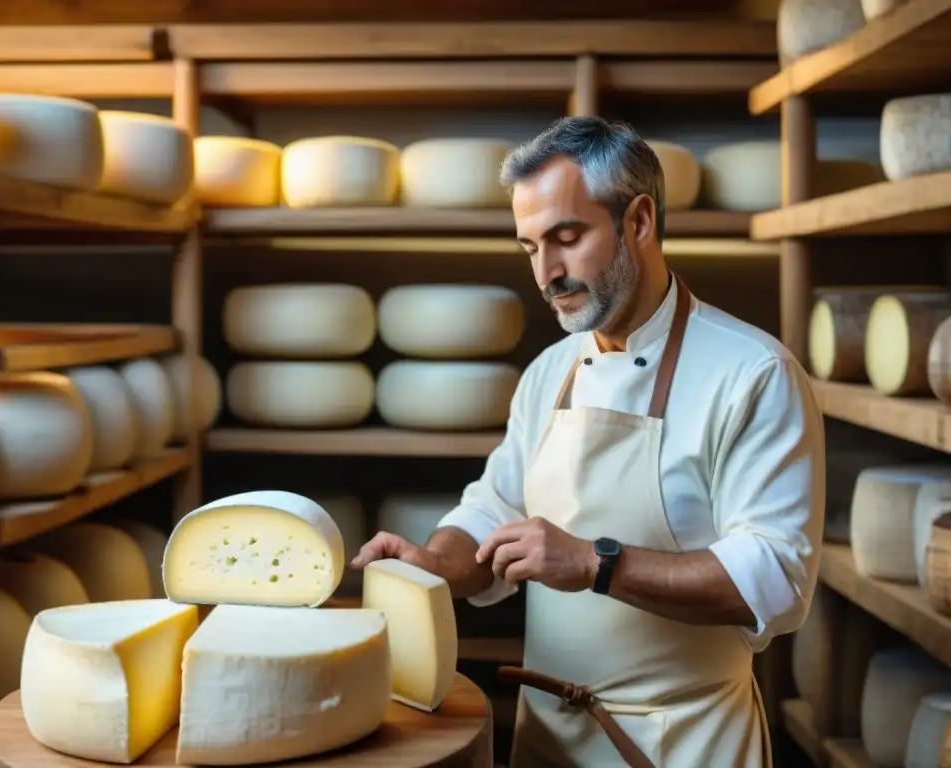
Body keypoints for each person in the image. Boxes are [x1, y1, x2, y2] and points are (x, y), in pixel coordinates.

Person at [351, 116, 826, 768]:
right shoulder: (551, 371)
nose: (546, 272)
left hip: (686, 744)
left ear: (639, 222)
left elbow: (774, 581)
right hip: (550, 739)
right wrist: (437, 567)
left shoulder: (752, 374)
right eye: (529, 248)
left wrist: (597, 563)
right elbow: (494, 509)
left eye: (566, 238)